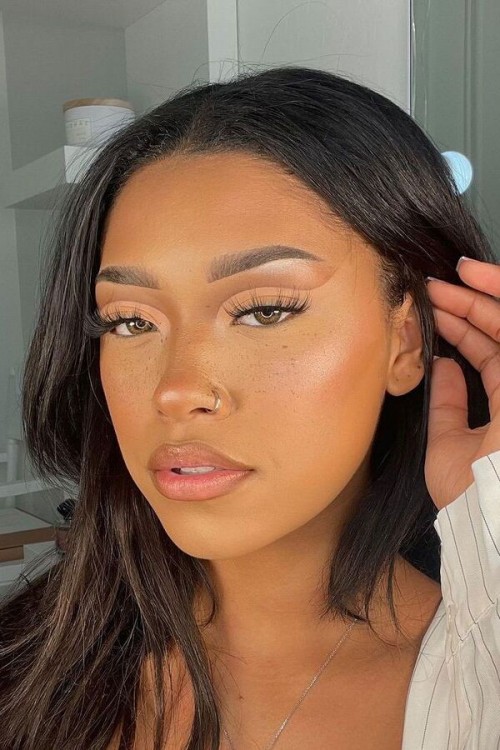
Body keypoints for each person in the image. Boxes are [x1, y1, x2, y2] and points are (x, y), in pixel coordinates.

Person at [0, 65, 499, 750]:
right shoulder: (25, 663)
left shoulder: (482, 684)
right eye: (130, 321)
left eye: (264, 310)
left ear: (405, 340)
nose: (176, 389)